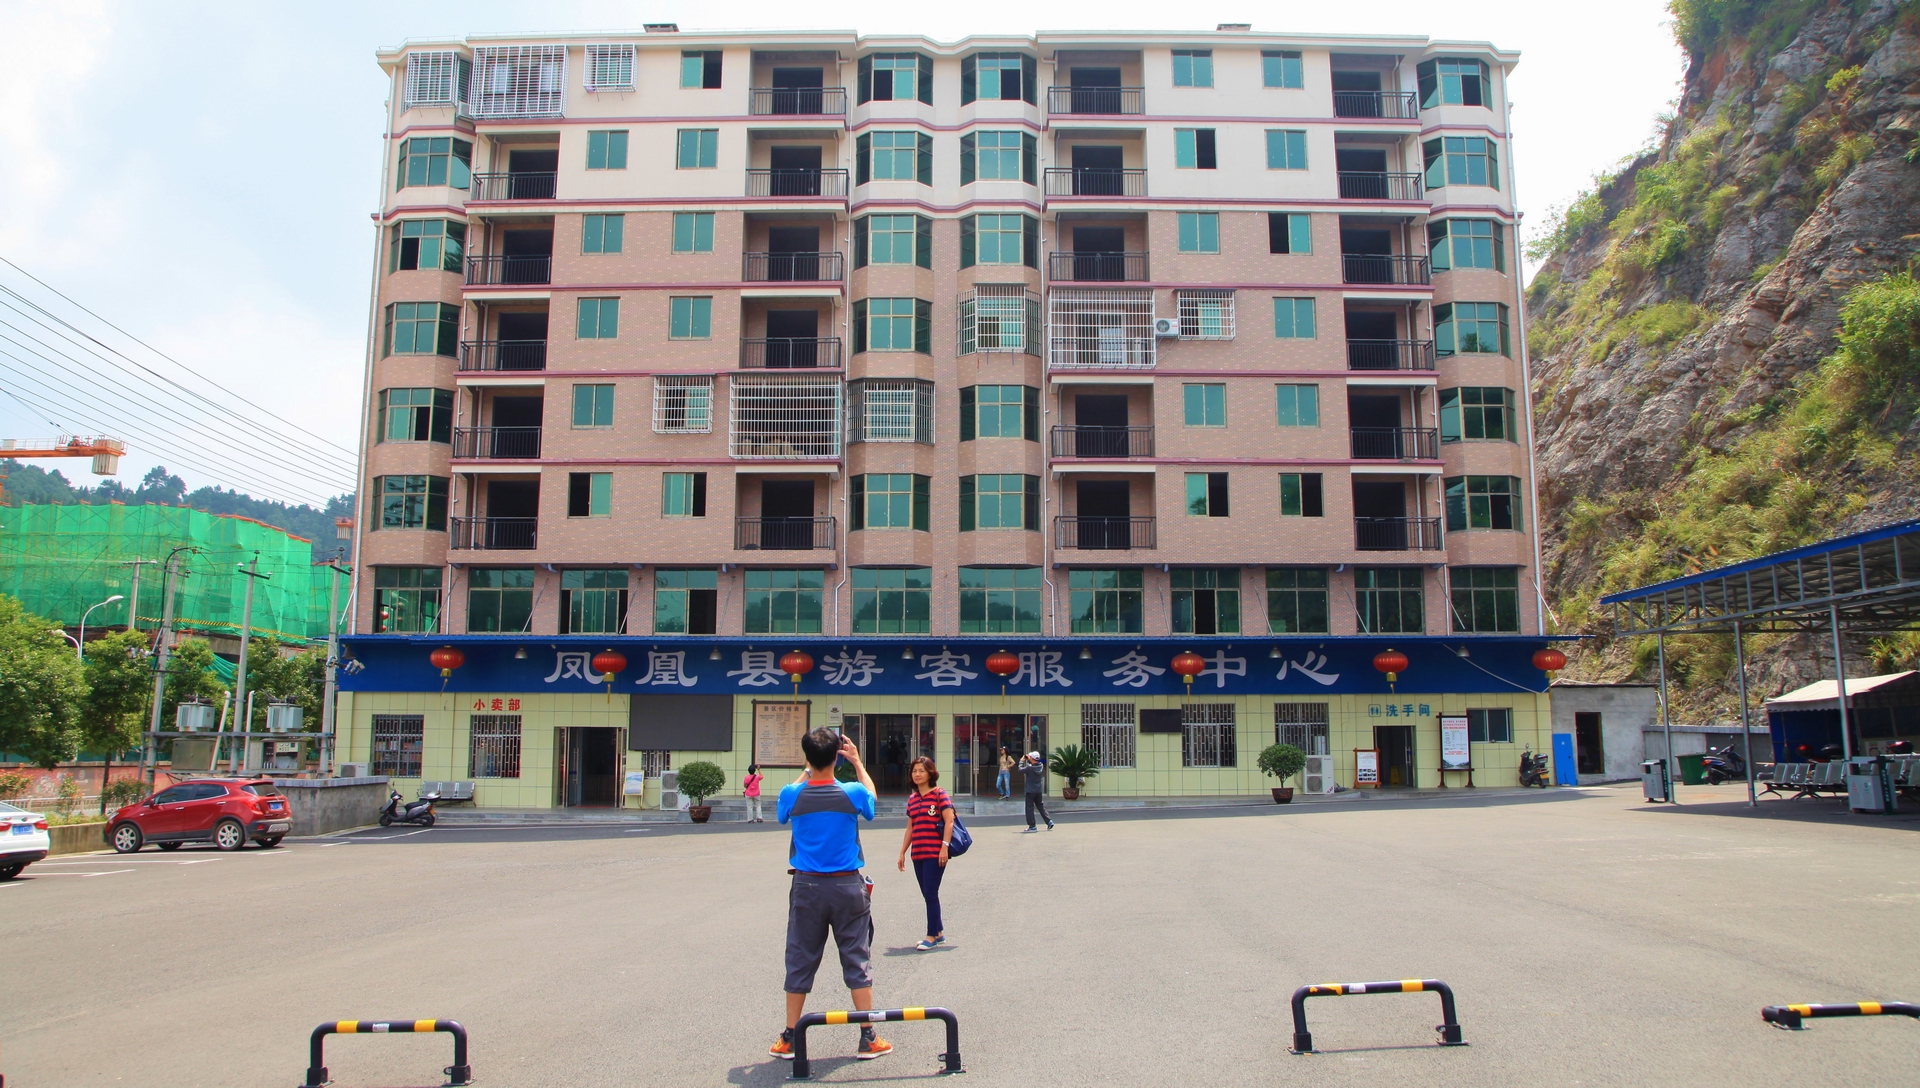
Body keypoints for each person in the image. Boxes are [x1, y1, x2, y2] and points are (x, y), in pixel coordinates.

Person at [770, 729, 892, 1062]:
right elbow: (872, 802)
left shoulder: (792, 794)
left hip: (807, 886)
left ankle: (789, 1037)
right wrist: (857, 762)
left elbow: (782, 813)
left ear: (807, 757)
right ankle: (868, 1037)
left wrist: (808, 769)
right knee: (856, 956)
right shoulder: (852, 792)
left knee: (800, 956)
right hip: (846, 886)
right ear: (837, 757)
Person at [897, 756, 955, 952]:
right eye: (914, 771)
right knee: (927, 893)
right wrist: (902, 852)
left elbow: (949, 821)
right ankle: (938, 932)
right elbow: (910, 828)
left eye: (922, 770)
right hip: (918, 853)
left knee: (930, 893)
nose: (917, 774)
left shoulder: (939, 794)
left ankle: (931, 936)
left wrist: (944, 847)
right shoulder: (913, 799)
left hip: (935, 853)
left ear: (930, 773)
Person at [1020, 750, 1053, 832]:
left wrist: (1022, 761)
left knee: (1029, 808)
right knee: (1040, 806)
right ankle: (1049, 821)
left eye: (1030, 757)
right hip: (1038, 790)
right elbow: (1034, 763)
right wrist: (1029, 759)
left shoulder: (1030, 768)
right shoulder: (1041, 766)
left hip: (1030, 791)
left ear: (1032, 758)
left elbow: (1020, 770)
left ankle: (1032, 826)